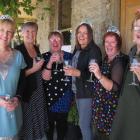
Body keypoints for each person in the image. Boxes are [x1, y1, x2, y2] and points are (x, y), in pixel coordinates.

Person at [89, 26, 129, 140]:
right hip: (100, 109)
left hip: (109, 111)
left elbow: (114, 87)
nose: (109, 45)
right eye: (107, 42)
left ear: (118, 44)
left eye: (113, 42)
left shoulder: (119, 61)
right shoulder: (106, 59)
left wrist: (99, 75)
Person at [64, 23, 102, 140]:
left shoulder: (94, 50)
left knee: (83, 125)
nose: (81, 35)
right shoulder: (78, 48)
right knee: (85, 124)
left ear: (90, 35)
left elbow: (93, 76)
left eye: (85, 33)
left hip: (87, 93)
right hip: (79, 91)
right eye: (79, 33)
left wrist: (77, 73)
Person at [110, 10, 140, 140]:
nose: (138, 31)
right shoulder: (132, 52)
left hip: (136, 112)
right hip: (125, 107)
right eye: (136, 27)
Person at [16, 22, 48, 140]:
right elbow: (16, 75)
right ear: (22, 33)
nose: (30, 34)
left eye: (33, 31)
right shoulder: (18, 51)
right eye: (27, 31)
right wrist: (34, 69)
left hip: (38, 88)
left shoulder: (36, 48)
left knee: (38, 118)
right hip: (27, 91)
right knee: (28, 120)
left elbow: (40, 68)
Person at [42, 31, 74, 140]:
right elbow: (45, 78)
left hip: (64, 97)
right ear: (49, 41)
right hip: (48, 98)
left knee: (62, 128)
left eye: (58, 39)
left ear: (62, 42)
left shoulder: (70, 56)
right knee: (49, 129)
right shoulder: (44, 57)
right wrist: (50, 62)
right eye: (52, 39)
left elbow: (74, 75)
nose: (55, 42)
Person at [0, 15, 26, 139]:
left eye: (9, 31)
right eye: (2, 30)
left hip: (12, 111)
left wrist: (17, 98)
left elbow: (22, 81)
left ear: (13, 34)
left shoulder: (18, 55)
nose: (5, 34)